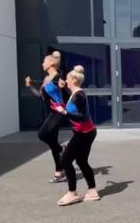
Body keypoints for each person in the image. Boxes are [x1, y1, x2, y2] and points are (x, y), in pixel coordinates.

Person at [55, 66, 100, 206]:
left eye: (68, 79)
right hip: (84, 132)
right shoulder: (74, 94)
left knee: (65, 159)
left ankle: (72, 193)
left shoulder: (79, 95)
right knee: (81, 162)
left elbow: (82, 116)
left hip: (84, 134)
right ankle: (92, 191)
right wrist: (62, 89)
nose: (65, 81)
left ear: (74, 80)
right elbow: (70, 103)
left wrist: (65, 113)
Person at [24, 50, 69, 183]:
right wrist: (29, 86)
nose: (42, 63)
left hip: (58, 112)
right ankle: (59, 173)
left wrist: (63, 87)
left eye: (44, 61)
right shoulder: (46, 79)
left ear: (50, 63)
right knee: (53, 145)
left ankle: (62, 149)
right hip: (51, 112)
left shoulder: (57, 78)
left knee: (42, 134)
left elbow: (67, 91)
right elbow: (40, 96)